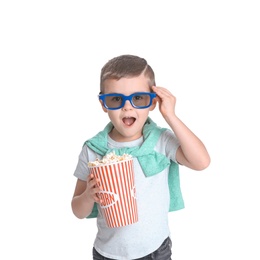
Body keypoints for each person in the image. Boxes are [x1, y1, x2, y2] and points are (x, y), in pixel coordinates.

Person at [71, 54, 210, 260]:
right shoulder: (93, 150)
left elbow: (202, 162)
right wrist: (88, 197)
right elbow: (77, 210)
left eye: (138, 98)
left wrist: (170, 115)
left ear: (152, 102)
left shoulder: (161, 141)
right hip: (108, 253)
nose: (128, 106)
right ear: (103, 104)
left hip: (156, 250)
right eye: (115, 99)